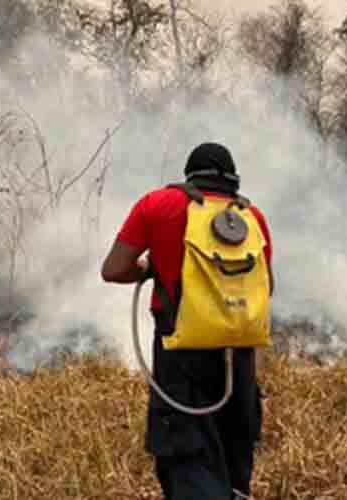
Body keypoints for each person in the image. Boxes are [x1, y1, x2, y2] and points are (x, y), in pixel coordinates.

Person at [101, 142, 273, 499]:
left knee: (187, 459)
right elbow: (263, 291)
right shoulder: (252, 217)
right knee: (234, 462)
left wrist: (149, 268)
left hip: (181, 354)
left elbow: (114, 269)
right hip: (237, 359)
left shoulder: (158, 205)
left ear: (189, 175)